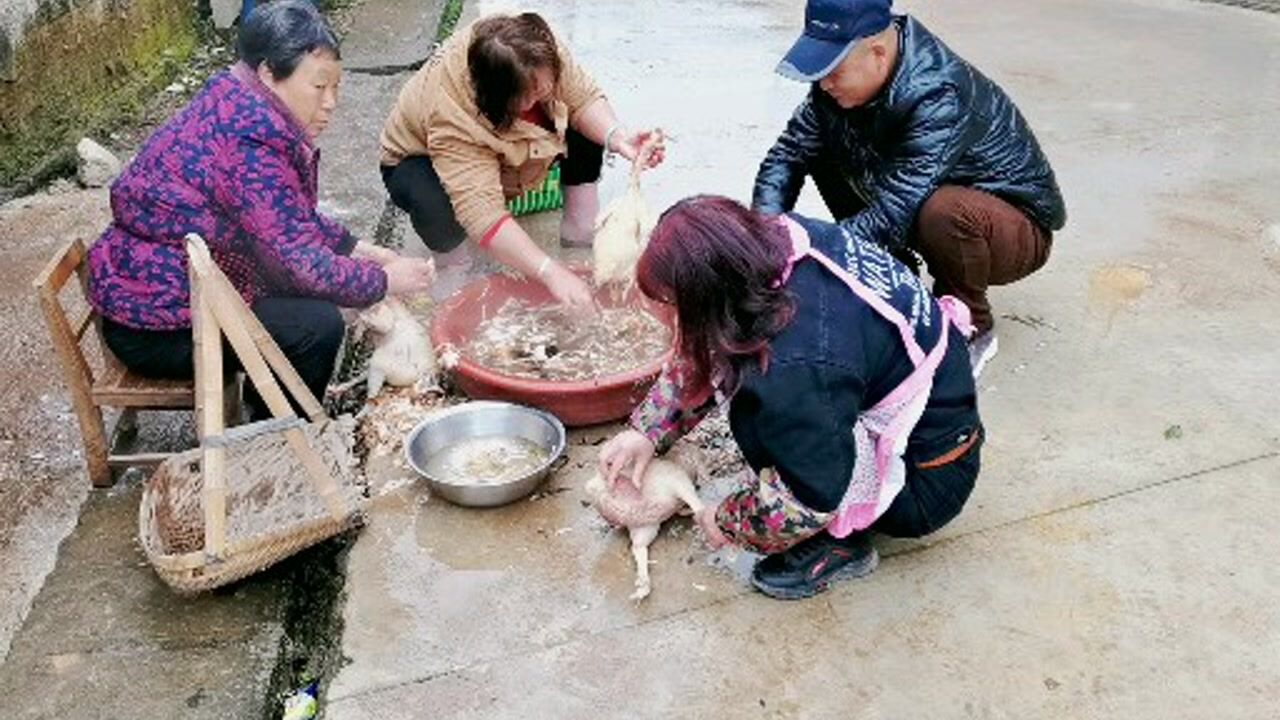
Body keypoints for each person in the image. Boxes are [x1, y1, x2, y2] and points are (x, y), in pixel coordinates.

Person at [598, 196, 982, 600]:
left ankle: (840, 544)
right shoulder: (776, 241)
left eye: (673, 305)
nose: (668, 315)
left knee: (758, 416)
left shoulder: (795, 364)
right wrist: (647, 429)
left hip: (929, 479)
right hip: (937, 403)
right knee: (769, 398)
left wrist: (729, 521)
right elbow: (711, 342)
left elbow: (810, 495)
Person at [87, 0, 435, 420]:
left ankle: (267, 404)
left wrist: (357, 247)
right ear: (270, 73)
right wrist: (383, 279)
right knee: (317, 327)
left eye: (336, 88)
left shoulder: (237, 98)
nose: (331, 103)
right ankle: (279, 437)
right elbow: (299, 264)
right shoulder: (251, 144)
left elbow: (281, 218)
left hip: (151, 297)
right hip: (159, 325)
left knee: (307, 295)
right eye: (318, 87)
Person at [753, 0, 1066, 375]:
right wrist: (765, 241)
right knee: (819, 149)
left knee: (943, 210)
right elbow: (786, 156)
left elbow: (897, 206)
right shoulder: (834, 89)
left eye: (833, 70)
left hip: (1010, 229)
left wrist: (813, 261)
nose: (823, 83)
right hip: (920, 201)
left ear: (878, 53)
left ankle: (971, 324)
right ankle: (894, 278)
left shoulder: (938, 94)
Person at [379, 12, 664, 314]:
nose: (546, 94)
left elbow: (582, 98)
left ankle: (579, 227)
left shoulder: (531, 46)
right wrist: (548, 271)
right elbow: (483, 214)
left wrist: (617, 138)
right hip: (416, 159)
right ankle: (453, 262)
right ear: (501, 98)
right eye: (533, 95)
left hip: (505, 132)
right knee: (432, 199)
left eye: (546, 86)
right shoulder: (454, 114)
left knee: (577, 123)